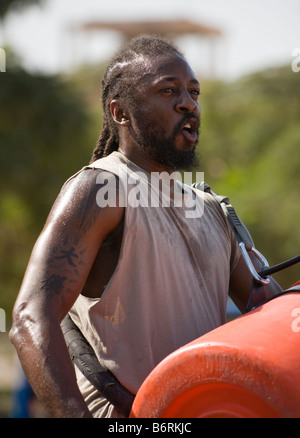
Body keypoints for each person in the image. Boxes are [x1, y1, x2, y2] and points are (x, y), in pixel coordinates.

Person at [9, 35, 282, 418]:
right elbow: (29, 317)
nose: (188, 103)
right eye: (168, 91)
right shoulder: (102, 189)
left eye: (194, 92)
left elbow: (275, 315)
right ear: (120, 112)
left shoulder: (212, 209)